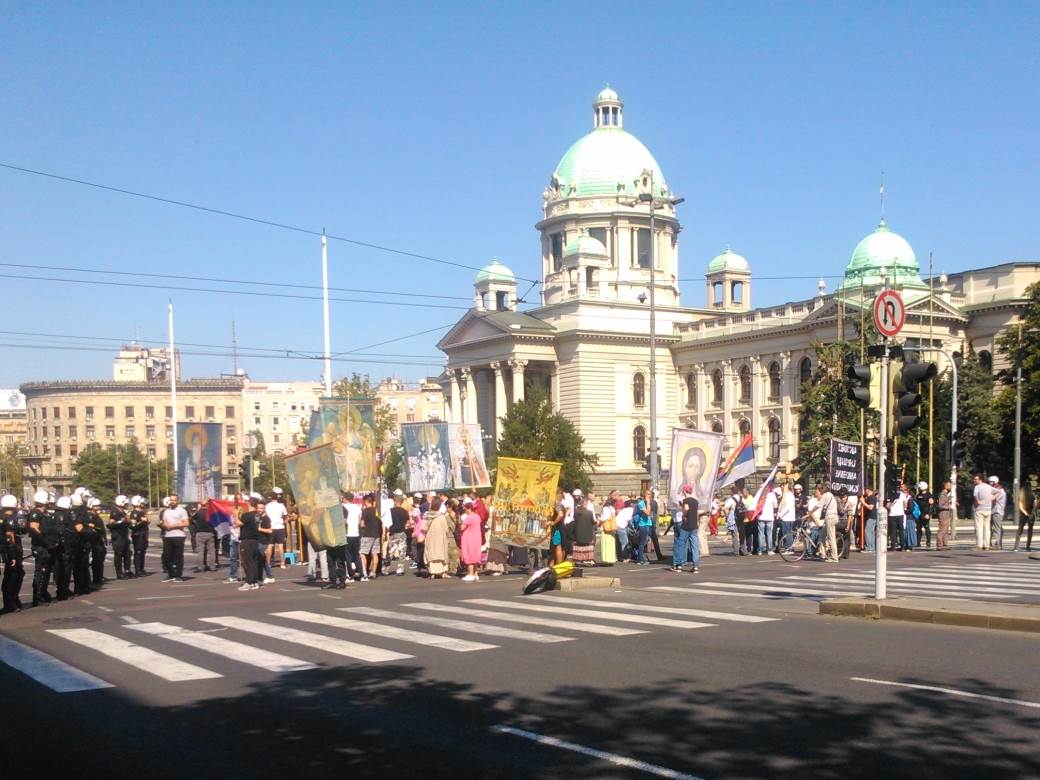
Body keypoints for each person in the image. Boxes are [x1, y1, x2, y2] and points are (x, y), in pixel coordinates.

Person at [28, 491, 57, 606]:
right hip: (41, 547)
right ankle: (37, 596)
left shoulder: (45, 514)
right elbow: (34, 529)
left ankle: (43, 592)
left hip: (47, 547)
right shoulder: (35, 513)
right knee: (41, 571)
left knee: (47, 571)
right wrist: (45, 541)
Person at [1, 494, 25, 613]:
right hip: (10, 551)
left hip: (4, 550)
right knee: (13, 576)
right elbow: (10, 538)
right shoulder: (9, 519)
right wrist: (14, 555)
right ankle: (11, 602)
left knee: (11, 576)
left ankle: (10, 601)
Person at [670, 485, 700, 574]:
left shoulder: (686, 500)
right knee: (694, 546)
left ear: (684, 491)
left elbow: (686, 508)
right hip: (694, 525)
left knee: (681, 544)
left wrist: (683, 515)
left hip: (686, 526)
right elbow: (697, 513)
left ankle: (679, 565)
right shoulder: (696, 501)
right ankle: (695, 566)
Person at [235, 496, 262, 591]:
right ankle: (254, 581)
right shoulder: (257, 515)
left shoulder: (247, 515)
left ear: (249, 504)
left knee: (247, 562)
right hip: (255, 540)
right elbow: (257, 525)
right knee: (254, 562)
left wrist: (236, 514)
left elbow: (238, 523)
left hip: (247, 540)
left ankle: (249, 582)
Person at [161, 494, 189, 583]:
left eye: (174, 500)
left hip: (178, 536)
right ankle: (171, 574)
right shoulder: (166, 511)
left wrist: (172, 526)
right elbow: (164, 523)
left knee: (178, 556)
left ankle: (178, 575)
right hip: (167, 536)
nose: (172, 502)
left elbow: (186, 523)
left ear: (177, 501)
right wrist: (163, 525)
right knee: (166, 556)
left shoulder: (182, 511)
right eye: (171, 500)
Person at [423, 498, 450, 578]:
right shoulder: (442, 516)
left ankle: (432, 572)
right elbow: (446, 529)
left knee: (431, 554)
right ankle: (443, 572)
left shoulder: (427, 516)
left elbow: (424, 528)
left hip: (430, 537)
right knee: (441, 553)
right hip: (441, 538)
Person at [107, 495, 133, 579]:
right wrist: (122, 521)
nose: (126, 504)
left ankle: (127, 570)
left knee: (127, 554)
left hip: (124, 535)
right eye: (125, 503)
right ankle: (119, 573)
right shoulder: (115, 511)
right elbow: (111, 524)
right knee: (118, 554)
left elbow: (128, 522)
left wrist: (128, 521)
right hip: (118, 536)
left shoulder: (123, 512)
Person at [459, 497, 484, 581]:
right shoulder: (477, 516)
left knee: (469, 554)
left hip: (469, 538)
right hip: (476, 538)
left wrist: (462, 522)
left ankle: (470, 574)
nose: (464, 509)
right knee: (475, 555)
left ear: (467, 507)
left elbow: (462, 527)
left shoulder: (468, 517)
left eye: (465, 507)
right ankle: (475, 573)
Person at [570, 490, 597, 567]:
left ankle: (579, 559)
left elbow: (574, 520)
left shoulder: (576, 512)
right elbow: (593, 522)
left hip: (578, 534)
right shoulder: (589, 513)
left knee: (579, 545)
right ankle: (587, 559)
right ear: (585, 504)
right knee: (591, 541)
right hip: (588, 535)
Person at [359, 493, 383, 579]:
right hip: (376, 534)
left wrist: (363, 526)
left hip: (367, 534)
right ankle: (373, 572)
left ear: (366, 501)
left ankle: (364, 572)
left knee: (363, 554)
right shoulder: (377, 511)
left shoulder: (365, 511)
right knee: (375, 553)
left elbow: (362, 524)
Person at [343, 492, 365, 581]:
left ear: (345, 498)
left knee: (347, 556)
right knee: (356, 555)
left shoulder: (343, 507)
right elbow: (360, 521)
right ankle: (361, 574)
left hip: (347, 534)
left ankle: (350, 575)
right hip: (356, 534)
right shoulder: (358, 508)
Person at [387, 490, 410, 576]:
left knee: (390, 552)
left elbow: (387, 523)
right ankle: (400, 569)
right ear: (402, 502)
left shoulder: (390, 511)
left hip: (392, 533)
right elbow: (408, 523)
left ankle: (385, 569)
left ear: (394, 501)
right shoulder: (405, 511)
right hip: (401, 533)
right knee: (402, 552)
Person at [86, 498, 108, 585]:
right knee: (96, 561)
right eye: (96, 506)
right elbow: (92, 529)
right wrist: (99, 536)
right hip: (95, 541)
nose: (98, 507)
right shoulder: (90, 516)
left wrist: (104, 538)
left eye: (98, 506)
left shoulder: (96, 515)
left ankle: (99, 577)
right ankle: (96, 578)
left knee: (100, 559)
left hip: (99, 540)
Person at [816, 483, 840, 562]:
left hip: (830, 517)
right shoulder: (831, 495)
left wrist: (809, 513)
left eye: (820, 490)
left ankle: (834, 557)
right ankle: (822, 553)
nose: (819, 491)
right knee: (823, 535)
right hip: (833, 517)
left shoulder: (825, 495)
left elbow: (818, 506)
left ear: (823, 489)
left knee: (831, 538)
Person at [265, 488, 288, 569]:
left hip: (271, 527)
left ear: (271, 497)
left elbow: (265, 516)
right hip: (280, 527)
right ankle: (282, 563)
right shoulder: (281, 506)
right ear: (277, 497)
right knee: (281, 545)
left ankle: (267, 563)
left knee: (270, 545)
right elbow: (285, 516)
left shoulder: (267, 506)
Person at [192, 502, 218, 572]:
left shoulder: (198, 512)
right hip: (210, 532)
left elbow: (192, 519)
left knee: (200, 551)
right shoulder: (211, 512)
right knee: (212, 551)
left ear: (200, 505)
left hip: (200, 532)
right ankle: (212, 566)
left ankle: (201, 567)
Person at [129, 496, 150, 576]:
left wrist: (146, 520)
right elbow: (133, 526)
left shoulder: (142, 512)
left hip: (144, 534)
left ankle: (142, 568)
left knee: (142, 552)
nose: (143, 504)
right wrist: (142, 521)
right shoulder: (134, 513)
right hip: (138, 535)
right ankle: (138, 570)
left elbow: (148, 521)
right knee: (138, 552)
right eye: (141, 503)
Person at [972, 473, 993, 550]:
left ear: (980, 479)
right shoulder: (989, 487)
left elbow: (975, 496)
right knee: (987, 528)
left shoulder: (977, 487)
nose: (974, 480)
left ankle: (980, 545)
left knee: (979, 528)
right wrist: (992, 499)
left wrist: (978, 502)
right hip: (988, 509)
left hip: (979, 509)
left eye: (975, 479)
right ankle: (987, 545)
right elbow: (998, 492)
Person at [1013, 480, 1035, 552]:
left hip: (1023, 514)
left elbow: (1020, 507)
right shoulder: (1032, 496)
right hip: (1031, 514)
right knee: (1030, 531)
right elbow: (1034, 506)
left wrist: (1026, 514)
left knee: (1020, 529)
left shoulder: (1021, 495)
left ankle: (1016, 547)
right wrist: (1030, 514)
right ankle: (1028, 546)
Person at [633, 491, 654, 566]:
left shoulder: (645, 503)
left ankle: (641, 558)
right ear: (644, 495)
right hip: (643, 525)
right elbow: (647, 513)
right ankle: (640, 559)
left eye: (650, 494)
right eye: (648, 494)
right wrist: (648, 502)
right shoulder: (641, 503)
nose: (649, 496)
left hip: (647, 524)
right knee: (642, 543)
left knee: (644, 542)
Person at [597, 494, 617, 565]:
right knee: (611, 545)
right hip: (611, 528)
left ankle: (606, 560)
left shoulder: (605, 508)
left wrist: (599, 519)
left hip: (606, 528)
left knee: (605, 544)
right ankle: (611, 559)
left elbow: (604, 518)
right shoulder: (612, 508)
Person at [725, 487, 746, 556]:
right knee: (742, 534)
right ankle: (744, 550)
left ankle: (736, 552)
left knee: (734, 535)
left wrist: (727, 516)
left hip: (734, 519)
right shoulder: (742, 498)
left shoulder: (731, 499)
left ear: (732, 492)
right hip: (742, 518)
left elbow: (726, 508)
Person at [758, 486, 778, 556]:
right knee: (769, 534)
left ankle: (760, 550)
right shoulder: (772, 495)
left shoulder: (760, 494)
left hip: (761, 516)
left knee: (761, 534)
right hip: (769, 516)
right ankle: (769, 549)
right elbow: (775, 506)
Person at [888, 482, 907, 552]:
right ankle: (902, 546)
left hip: (892, 514)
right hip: (900, 514)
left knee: (893, 530)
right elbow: (905, 503)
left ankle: (893, 545)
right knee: (901, 530)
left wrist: (890, 506)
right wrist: (904, 509)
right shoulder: (902, 494)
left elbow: (888, 505)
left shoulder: (890, 494)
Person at [989, 476, 1005, 550]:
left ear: (996, 482)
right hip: (993, 511)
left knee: (996, 528)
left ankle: (997, 544)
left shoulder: (1000, 491)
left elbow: (992, 499)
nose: (990, 484)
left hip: (997, 511)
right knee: (991, 528)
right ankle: (990, 542)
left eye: (991, 482)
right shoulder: (996, 490)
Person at [936, 481, 953, 550]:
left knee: (946, 531)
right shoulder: (942, 495)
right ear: (945, 486)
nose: (951, 486)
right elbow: (940, 506)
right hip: (943, 514)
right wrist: (948, 507)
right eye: (949, 485)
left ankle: (945, 544)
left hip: (947, 514)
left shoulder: (946, 495)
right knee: (942, 530)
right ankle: (939, 545)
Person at [862, 487, 878, 552]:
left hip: (871, 516)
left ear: (867, 490)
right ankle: (872, 547)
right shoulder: (874, 497)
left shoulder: (871, 497)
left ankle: (869, 548)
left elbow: (870, 507)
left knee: (868, 531)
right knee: (871, 532)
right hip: (874, 516)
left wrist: (863, 502)